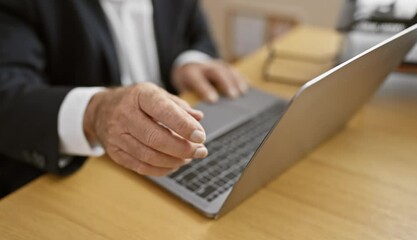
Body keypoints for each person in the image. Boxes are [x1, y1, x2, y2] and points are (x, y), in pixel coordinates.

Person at [0, 0, 248, 197]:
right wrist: (94, 112)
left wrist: (189, 62)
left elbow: (196, 34)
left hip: (178, 145)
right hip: (77, 178)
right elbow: (8, 95)